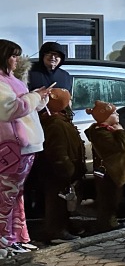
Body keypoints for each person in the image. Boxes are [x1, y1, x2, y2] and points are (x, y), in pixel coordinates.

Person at [0, 39, 49, 257]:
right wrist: (35, 96)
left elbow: (25, 106)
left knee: (16, 194)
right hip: (12, 147)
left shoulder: (10, 79)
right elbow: (9, 109)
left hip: (25, 146)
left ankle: (17, 238)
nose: (16, 60)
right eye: (13, 55)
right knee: (6, 196)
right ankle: (5, 242)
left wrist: (40, 98)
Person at [33, 87, 85, 244]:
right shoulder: (55, 124)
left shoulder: (60, 120)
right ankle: (56, 231)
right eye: (68, 100)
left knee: (63, 201)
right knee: (56, 202)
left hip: (61, 172)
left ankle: (65, 225)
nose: (70, 102)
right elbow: (57, 151)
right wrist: (66, 168)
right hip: (57, 173)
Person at [84, 100, 125, 232]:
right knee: (109, 199)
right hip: (108, 173)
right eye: (114, 113)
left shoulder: (106, 130)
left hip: (113, 172)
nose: (117, 114)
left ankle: (110, 220)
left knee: (114, 197)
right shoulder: (101, 133)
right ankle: (107, 223)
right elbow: (118, 147)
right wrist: (120, 132)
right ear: (105, 117)